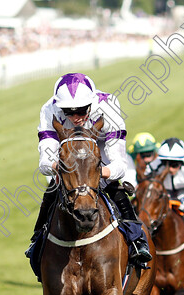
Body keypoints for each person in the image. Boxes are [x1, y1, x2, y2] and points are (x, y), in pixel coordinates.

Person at [26, 72, 152, 273]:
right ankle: (38, 239)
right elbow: (45, 159)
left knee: (115, 188)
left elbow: (118, 161)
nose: (76, 117)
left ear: (91, 104)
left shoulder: (108, 105)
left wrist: (97, 172)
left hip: (100, 151)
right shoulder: (49, 109)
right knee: (52, 190)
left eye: (81, 111)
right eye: (69, 112)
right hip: (68, 156)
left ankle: (137, 241)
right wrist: (61, 169)